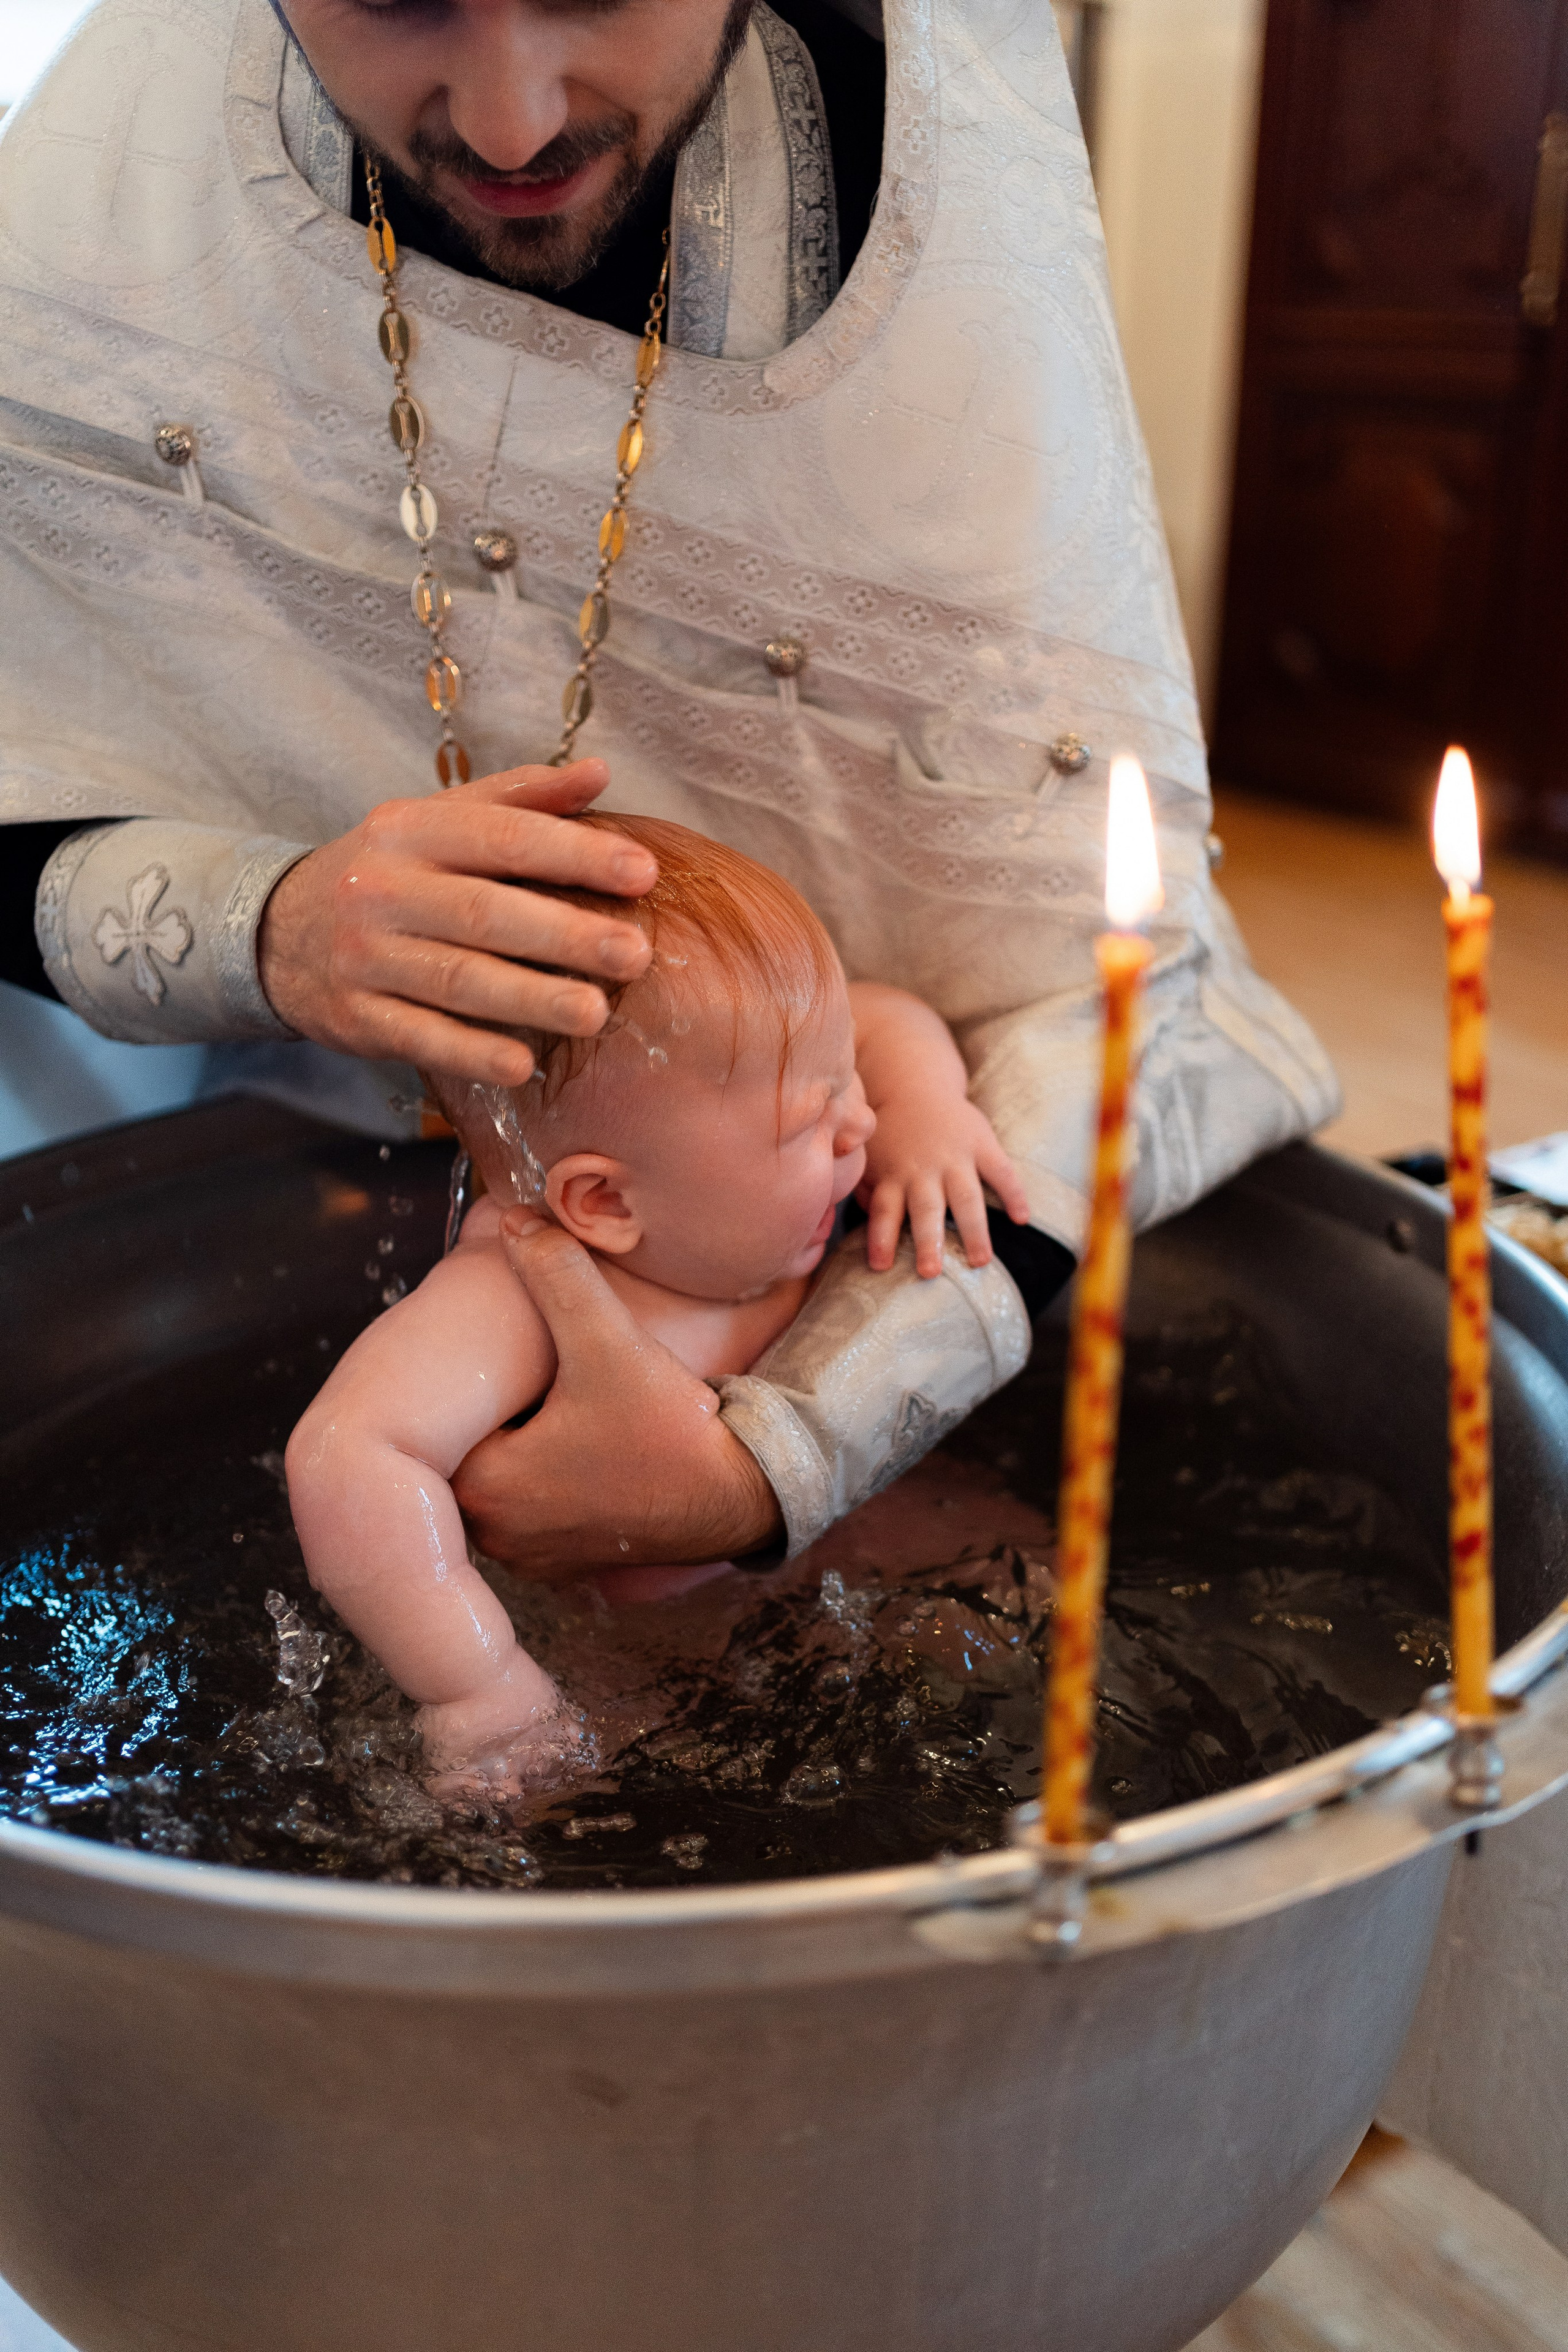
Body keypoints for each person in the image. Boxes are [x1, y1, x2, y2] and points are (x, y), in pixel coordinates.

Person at [0, 0, 1338, 1578]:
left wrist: (784, 1456)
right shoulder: (105, 204)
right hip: (233, 1166)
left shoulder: (929, 233)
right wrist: (267, 925)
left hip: (803, 1244)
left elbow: (1088, 976)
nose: (507, 125)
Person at [285, 815, 1029, 1790]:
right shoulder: (521, 1290)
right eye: (814, 1117)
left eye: (848, 1077)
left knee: (1035, 1586)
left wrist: (928, 1103)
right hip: (655, 1635)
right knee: (595, 1785)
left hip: (847, 1532)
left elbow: (886, 1013)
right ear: (606, 1203)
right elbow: (349, 1452)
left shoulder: (774, 1160)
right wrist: (479, 1685)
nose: (863, 1122)